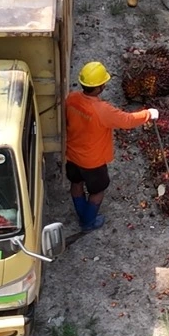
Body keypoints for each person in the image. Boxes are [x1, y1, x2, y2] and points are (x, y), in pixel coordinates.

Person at [64, 61, 157, 231]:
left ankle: (81, 213)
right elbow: (127, 121)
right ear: (100, 87)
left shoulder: (71, 98)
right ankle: (87, 222)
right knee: (97, 191)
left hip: (72, 155)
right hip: (93, 162)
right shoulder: (102, 110)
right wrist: (148, 114)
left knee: (76, 183)